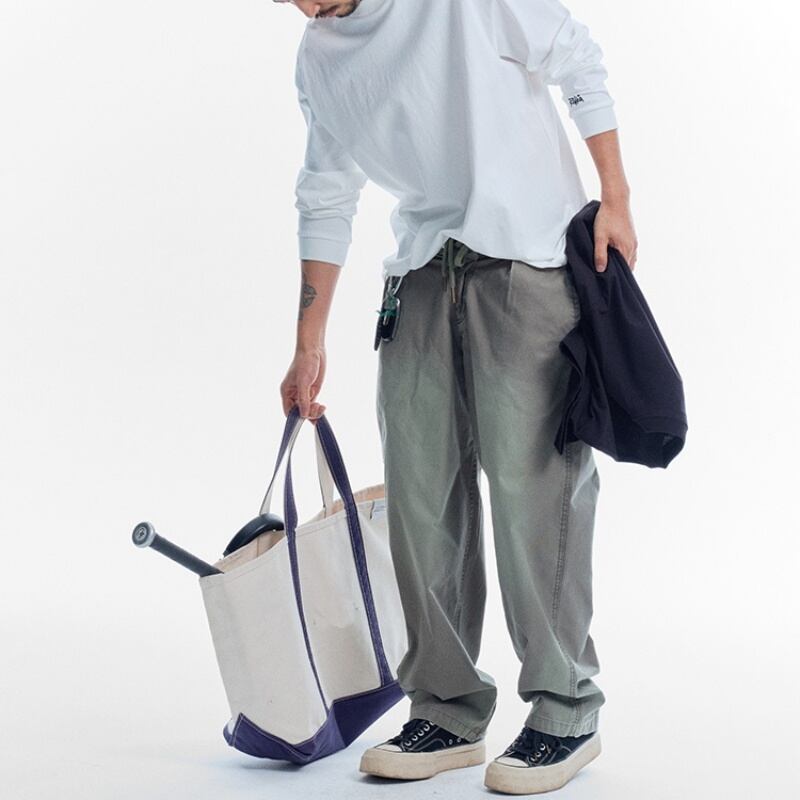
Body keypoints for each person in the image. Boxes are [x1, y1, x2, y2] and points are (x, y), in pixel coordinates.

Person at [277, 0, 637, 794]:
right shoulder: (320, 57)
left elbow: (576, 57)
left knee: (533, 491)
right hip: (419, 273)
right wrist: (309, 341)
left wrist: (614, 196)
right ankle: (445, 707)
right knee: (419, 499)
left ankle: (566, 710)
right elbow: (326, 192)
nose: (306, 7)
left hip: (527, 261)